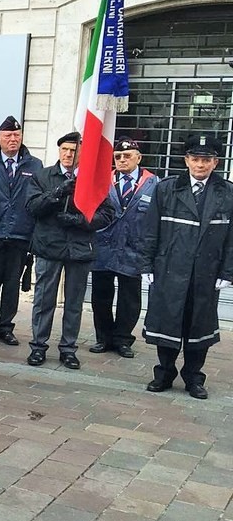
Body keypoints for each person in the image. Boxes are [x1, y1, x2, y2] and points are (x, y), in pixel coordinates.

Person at [141, 134, 233, 399]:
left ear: (215, 162)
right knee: (167, 323)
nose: (200, 165)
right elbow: (150, 230)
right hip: (170, 270)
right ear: (186, 160)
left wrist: (227, 272)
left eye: (206, 160)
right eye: (195, 159)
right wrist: (146, 264)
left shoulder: (227, 193)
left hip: (206, 274)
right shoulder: (167, 189)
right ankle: (164, 374)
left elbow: (231, 239)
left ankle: (194, 377)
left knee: (199, 327)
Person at [25, 131, 115, 369]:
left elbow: (107, 214)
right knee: (44, 300)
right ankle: (38, 346)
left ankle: (68, 349)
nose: (68, 154)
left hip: (80, 248)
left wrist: (80, 221)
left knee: (74, 303)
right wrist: (57, 193)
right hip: (49, 247)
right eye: (64, 149)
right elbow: (32, 207)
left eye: (73, 151)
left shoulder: (93, 179)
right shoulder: (43, 176)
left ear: (82, 154)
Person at [0, 116, 42, 345]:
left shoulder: (35, 165)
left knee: (12, 284)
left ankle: (6, 327)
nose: (13, 139)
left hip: (20, 235)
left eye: (16, 135)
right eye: (8, 136)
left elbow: (35, 202)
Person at [91, 137, 158, 359]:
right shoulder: (103, 180)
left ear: (139, 158)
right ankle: (104, 338)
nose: (122, 160)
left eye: (127, 156)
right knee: (101, 296)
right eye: (118, 156)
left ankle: (122, 339)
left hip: (134, 249)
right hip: (104, 246)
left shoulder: (154, 183)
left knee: (130, 298)